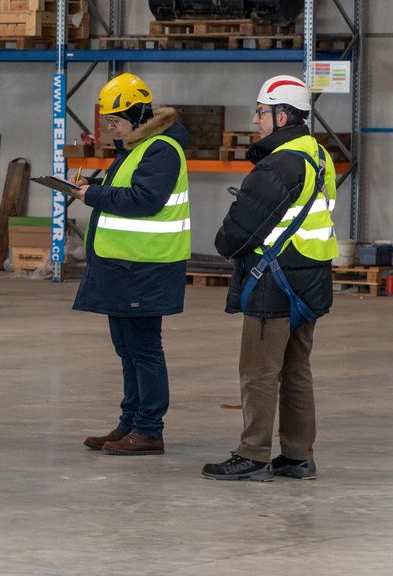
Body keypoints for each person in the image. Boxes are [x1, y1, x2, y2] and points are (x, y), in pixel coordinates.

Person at [202, 75, 336, 482]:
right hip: (309, 278)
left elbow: (236, 234)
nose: (257, 120)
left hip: (273, 282)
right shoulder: (317, 155)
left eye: (261, 112)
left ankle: (253, 454)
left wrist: (225, 239)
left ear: (281, 115)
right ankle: (298, 456)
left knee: (259, 371)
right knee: (296, 370)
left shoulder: (280, 163)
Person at [70, 73, 190, 456]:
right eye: (107, 122)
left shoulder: (162, 149)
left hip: (147, 267)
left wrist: (92, 195)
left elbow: (144, 199)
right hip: (123, 266)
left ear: (139, 115)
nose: (110, 129)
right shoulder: (135, 148)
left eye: (115, 121)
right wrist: (93, 188)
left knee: (144, 349)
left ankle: (150, 430)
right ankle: (130, 423)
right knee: (127, 348)